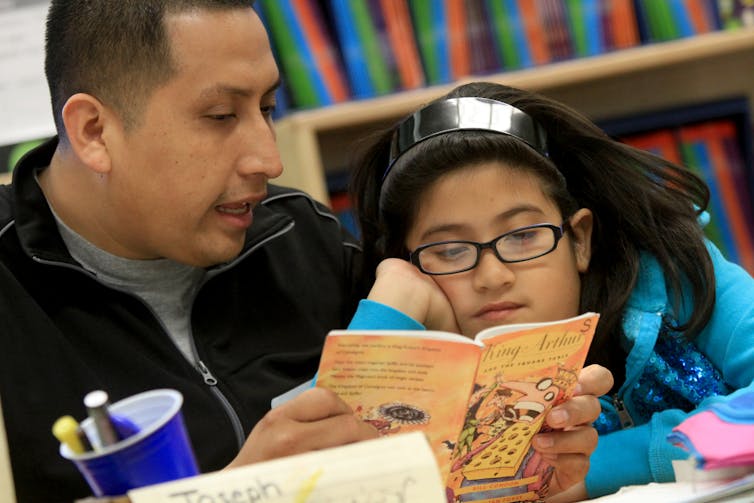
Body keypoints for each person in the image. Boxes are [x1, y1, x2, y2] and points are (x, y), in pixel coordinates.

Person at [0, 2, 383, 501]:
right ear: (94, 131)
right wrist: (239, 491)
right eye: (221, 115)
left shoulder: (302, 233)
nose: (269, 160)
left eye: (267, 108)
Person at [347, 81, 754, 500]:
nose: (492, 276)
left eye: (523, 236)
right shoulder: (413, 355)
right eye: (449, 251)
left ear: (579, 239)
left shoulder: (672, 272)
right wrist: (393, 306)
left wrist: (597, 467)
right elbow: (325, 480)